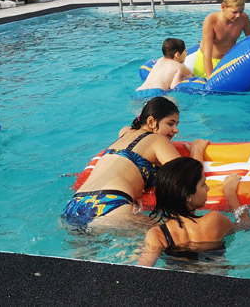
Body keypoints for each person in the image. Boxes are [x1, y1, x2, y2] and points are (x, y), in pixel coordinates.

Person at [63, 97, 209, 227]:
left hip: (75, 205)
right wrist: (197, 150)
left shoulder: (125, 133)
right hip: (111, 204)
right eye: (170, 124)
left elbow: (127, 129)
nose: (176, 130)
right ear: (151, 121)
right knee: (179, 231)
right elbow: (187, 178)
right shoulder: (158, 140)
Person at [137, 157, 250, 267]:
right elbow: (249, 225)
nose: (208, 188)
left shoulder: (158, 235)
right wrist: (230, 194)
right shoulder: (214, 220)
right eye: (203, 184)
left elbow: (143, 269)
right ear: (188, 196)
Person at [195, 0, 250, 79]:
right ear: (223, 7)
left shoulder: (244, 18)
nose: (238, 15)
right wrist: (210, 78)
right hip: (208, 63)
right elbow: (207, 54)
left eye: (241, 11)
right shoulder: (211, 20)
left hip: (228, 61)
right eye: (234, 12)